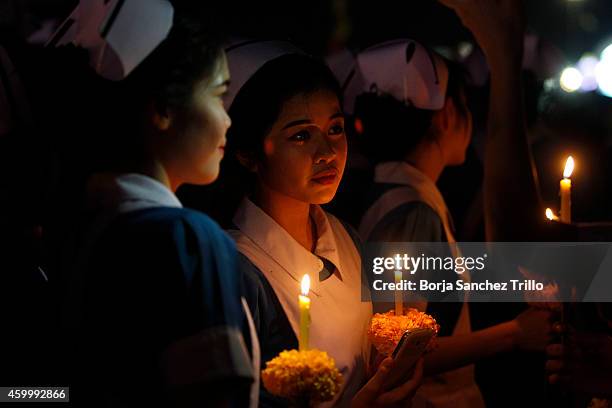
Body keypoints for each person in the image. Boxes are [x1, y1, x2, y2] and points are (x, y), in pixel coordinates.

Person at [52, 4, 257, 406]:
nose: (228, 119)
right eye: (219, 94)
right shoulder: (188, 240)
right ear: (163, 109)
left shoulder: (75, 224)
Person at [210, 39, 423, 407]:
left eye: (335, 129)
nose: (326, 153)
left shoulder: (346, 239)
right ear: (247, 153)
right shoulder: (237, 271)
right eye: (301, 135)